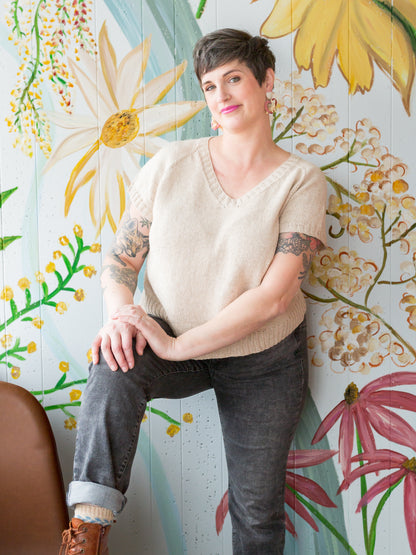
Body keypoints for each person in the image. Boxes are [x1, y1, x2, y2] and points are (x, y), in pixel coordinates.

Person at [59, 28, 327, 555]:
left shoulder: (301, 180)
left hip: (262, 359)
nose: (222, 96)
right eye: (209, 86)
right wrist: (120, 317)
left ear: (266, 82)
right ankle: (87, 536)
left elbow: (275, 296)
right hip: (169, 340)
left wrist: (176, 346)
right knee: (112, 362)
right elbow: (121, 258)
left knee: (256, 508)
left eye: (234, 79)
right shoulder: (170, 165)